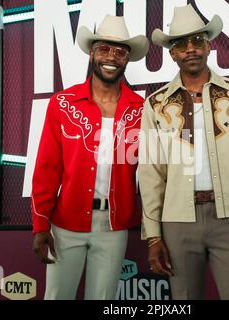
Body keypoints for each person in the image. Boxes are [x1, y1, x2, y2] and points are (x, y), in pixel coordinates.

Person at [139, 4, 229, 300]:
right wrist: (153, 236)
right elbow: (151, 173)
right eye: (180, 43)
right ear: (171, 52)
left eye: (197, 40)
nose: (190, 49)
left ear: (209, 45)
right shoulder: (155, 104)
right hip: (177, 222)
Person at [31, 15, 149, 300]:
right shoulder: (63, 103)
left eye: (120, 52)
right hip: (66, 224)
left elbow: (149, 174)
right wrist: (40, 225)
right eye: (104, 49)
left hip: (114, 226)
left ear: (128, 60)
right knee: (57, 296)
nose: (111, 57)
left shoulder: (143, 109)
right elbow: (47, 168)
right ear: (92, 52)